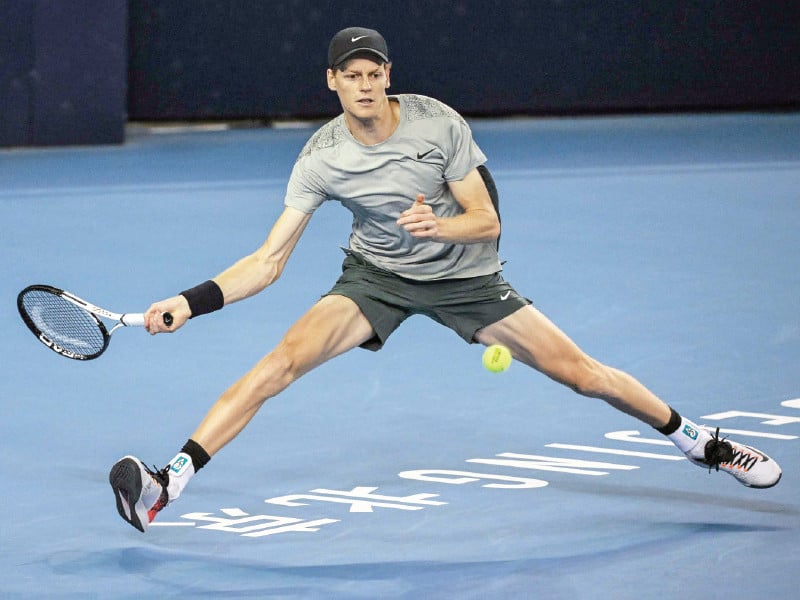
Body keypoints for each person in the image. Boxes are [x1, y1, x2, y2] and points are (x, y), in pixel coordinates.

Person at [109, 27, 781, 533]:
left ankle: (703, 443)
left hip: (468, 279)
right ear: (332, 82)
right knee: (279, 362)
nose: (366, 85)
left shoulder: (436, 122)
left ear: (388, 77)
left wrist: (441, 228)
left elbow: (486, 220)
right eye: (353, 75)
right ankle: (169, 483)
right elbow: (268, 260)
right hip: (377, 277)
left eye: (375, 73)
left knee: (584, 374)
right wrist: (191, 303)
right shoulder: (321, 157)